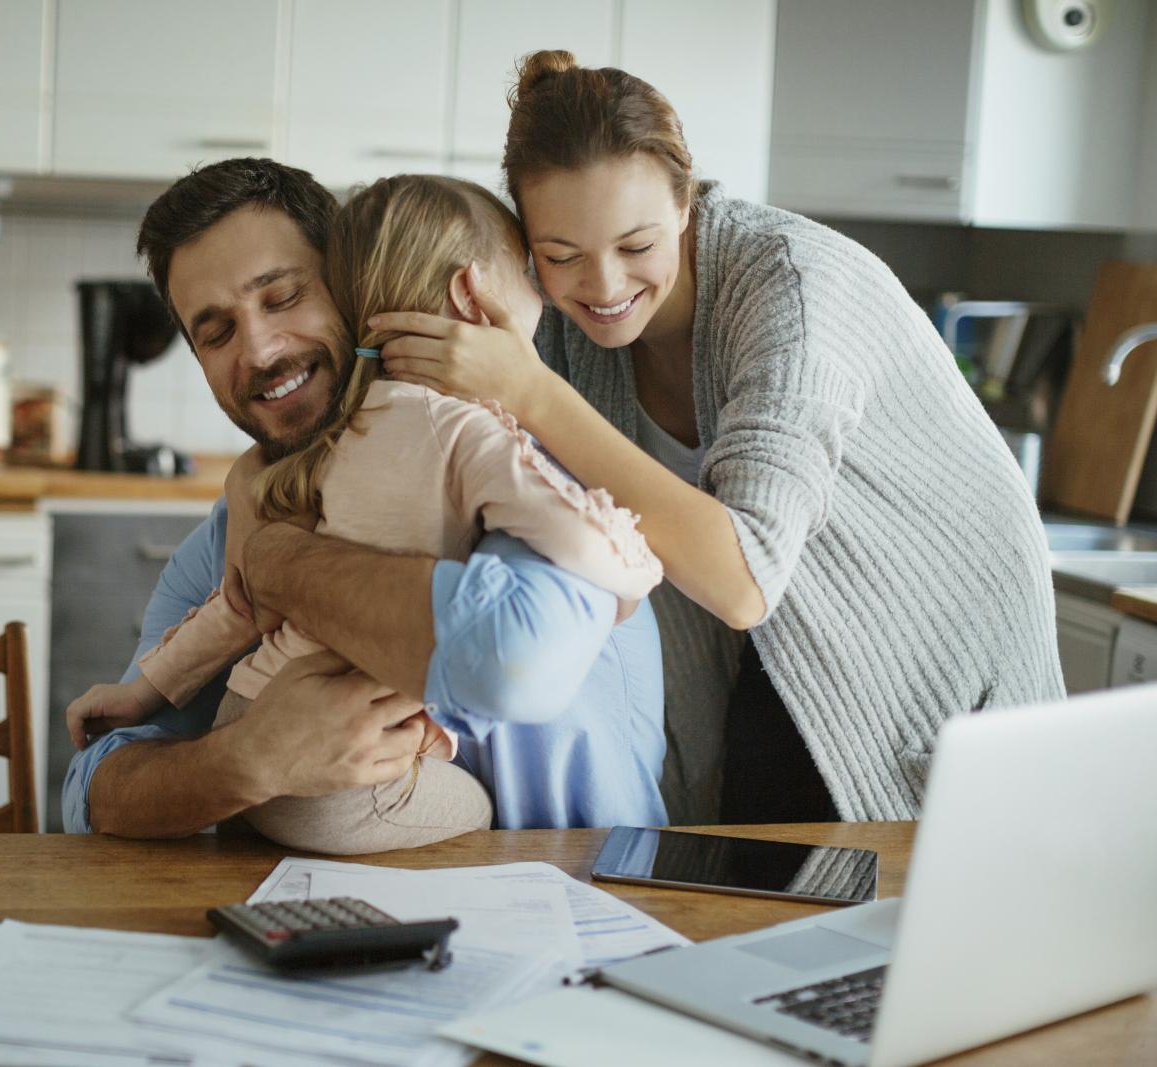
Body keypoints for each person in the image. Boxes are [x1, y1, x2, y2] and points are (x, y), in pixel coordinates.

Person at [366, 51, 1063, 824]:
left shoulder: (792, 287)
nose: (603, 285)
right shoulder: (556, 325)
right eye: (562, 256)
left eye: (636, 246)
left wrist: (531, 392)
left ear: (685, 199)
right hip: (779, 647)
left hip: (929, 641)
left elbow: (740, 581)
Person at [61, 157, 668, 839]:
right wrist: (243, 761)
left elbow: (511, 660)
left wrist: (278, 558)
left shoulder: (529, 470)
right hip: (332, 892)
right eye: (217, 332)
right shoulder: (237, 521)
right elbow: (96, 785)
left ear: (354, 284)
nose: (259, 351)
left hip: (583, 887)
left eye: (282, 296)